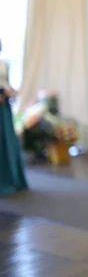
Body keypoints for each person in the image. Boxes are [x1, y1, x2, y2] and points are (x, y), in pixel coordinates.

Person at [0, 38, 28, 196]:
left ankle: (12, 178)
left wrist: (11, 91)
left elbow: (7, 83)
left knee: (8, 142)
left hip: (4, 106)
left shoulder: (4, 64)